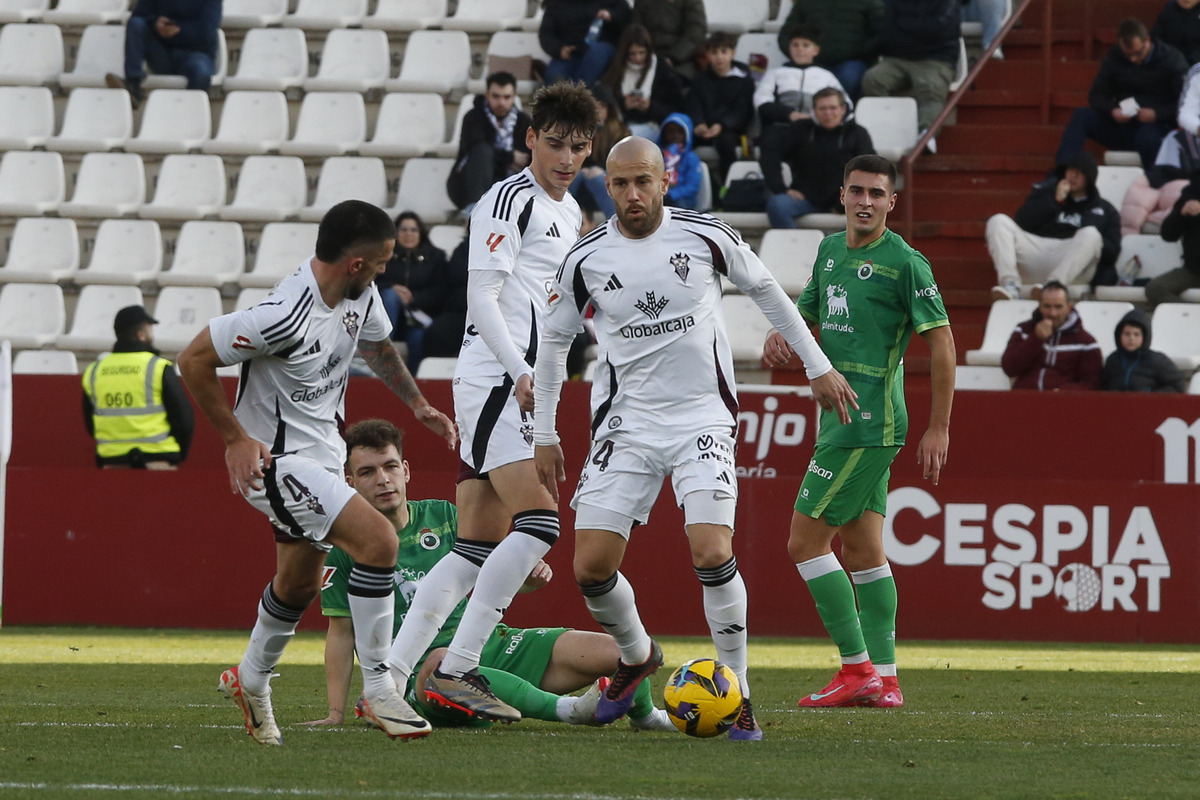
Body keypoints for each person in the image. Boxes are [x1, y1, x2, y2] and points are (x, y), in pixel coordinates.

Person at [531, 136, 860, 739]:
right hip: (626, 424)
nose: (634, 194)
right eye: (622, 184)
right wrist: (545, 431)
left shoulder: (706, 235)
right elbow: (552, 345)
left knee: (711, 550)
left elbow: (767, 292)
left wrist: (817, 365)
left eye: (644, 182)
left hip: (701, 417)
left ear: (664, 181)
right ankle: (636, 657)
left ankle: (737, 696)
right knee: (590, 569)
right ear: (608, 188)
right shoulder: (585, 259)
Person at [176, 200, 457, 745]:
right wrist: (234, 438)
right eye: (380, 263)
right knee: (379, 540)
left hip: (324, 454)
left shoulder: (360, 295)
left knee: (299, 582)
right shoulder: (282, 315)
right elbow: (192, 360)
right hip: (276, 462)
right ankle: (380, 690)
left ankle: (251, 681)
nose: (384, 271)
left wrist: (418, 404)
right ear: (355, 263)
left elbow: (375, 344)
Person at [385, 82, 598, 725]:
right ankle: (458, 667)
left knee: (474, 545)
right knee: (540, 525)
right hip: (499, 378)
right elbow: (484, 300)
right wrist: (521, 371)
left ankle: (388, 680)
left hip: (521, 380)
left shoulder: (569, 213)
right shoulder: (508, 199)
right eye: (555, 143)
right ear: (529, 138)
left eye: (578, 147)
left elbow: (552, 304)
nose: (566, 158)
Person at [307, 418, 675, 732]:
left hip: (493, 645)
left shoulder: (445, 515)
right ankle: (573, 711)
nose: (383, 480)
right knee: (441, 664)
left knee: (620, 652)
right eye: (368, 472)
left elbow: (498, 579)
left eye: (389, 467)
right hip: (427, 678)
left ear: (405, 470)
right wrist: (335, 713)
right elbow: (341, 632)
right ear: (350, 481)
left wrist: (526, 578)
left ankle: (648, 717)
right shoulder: (344, 546)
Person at [764, 153, 955, 711]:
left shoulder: (906, 264)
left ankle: (855, 667)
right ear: (842, 196)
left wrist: (938, 428)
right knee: (864, 548)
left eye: (877, 193)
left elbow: (942, 346)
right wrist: (785, 337)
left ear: (892, 202)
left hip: (869, 423)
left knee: (803, 542)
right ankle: (887, 680)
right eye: (857, 191)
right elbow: (805, 315)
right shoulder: (827, 251)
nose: (866, 201)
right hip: (841, 419)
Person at [1055, 18, 1187, 171]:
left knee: (1147, 138)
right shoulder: (1115, 57)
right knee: (1081, 116)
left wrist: (1156, 114)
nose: (1133, 59)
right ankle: (1060, 175)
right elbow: (1097, 94)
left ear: (1147, 41)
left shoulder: (1172, 59)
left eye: (1138, 53)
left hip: (1158, 126)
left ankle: (1155, 184)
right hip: (1124, 125)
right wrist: (1111, 110)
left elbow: (1184, 104)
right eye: (1128, 55)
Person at [986, 151, 1121, 300]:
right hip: (1036, 253)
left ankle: (1053, 287)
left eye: (1080, 172)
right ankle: (1010, 285)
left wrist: (1084, 233)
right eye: (1071, 170)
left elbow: (1112, 252)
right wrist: (1055, 201)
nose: (1073, 175)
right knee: (998, 221)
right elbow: (1022, 221)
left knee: (1091, 234)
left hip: (1072, 264)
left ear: (1089, 178)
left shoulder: (1105, 209)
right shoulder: (1046, 194)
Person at [81, 305, 193, 470]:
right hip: (157, 459)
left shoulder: (94, 371)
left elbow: (91, 423)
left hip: (112, 462)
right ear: (141, 335)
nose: (152, 334)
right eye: (149, 329)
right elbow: (183, 420)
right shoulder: (157, 368)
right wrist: (177, 454)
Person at [761, 86, 875, 229]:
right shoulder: (800, 129)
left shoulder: (858, 134)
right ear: (814, 110)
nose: (828, 113)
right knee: (777, 204)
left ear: (843, 109)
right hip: (805, 199)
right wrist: (780, 188)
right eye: (822, 108)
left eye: (833, 108)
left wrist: (841, 204)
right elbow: (770, 152)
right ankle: (794, 248)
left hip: (846, 202)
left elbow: (869, 172)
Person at [861, 0, 960, 147]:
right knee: (872, 79)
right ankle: (885, 130)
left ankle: (926, 136)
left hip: (935, 59)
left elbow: (939, 30)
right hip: (897, 58)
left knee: (931, 88)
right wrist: (921, 30)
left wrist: (903, 25)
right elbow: (886, 32)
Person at [104, 0, 222, 107]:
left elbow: (206, 33)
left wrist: (177, 32)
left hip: (196, 54)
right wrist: (156, 24)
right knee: (136, 24)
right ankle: (133, 85)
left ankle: (191, 116)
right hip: (161, 53)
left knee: (201, 72)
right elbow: (139, 15)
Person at [447, 73, 533, 214]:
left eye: (507, 97)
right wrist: (510, 157)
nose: (501, 102)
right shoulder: (473, 117)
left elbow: (527, 157)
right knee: (482, 152)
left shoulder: (523, 121)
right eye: (496, 96)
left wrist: (499, 158)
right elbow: (477, 150)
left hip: (509, 183)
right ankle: (475, 209)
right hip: (469, 186)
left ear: (514, 97)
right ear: (487, 95)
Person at [375, 211, 450, 373]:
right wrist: (392, 287)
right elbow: (370, 283)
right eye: (403, 229)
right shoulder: (383, 256)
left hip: (420, 318)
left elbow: (441, 292)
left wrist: (412, 298)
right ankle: (380, 355)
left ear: (421, 232)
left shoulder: (436, 257)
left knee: (418, 338)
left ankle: (414, 384)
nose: (409, 234)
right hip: (390, 317)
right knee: (389, 295)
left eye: (414, 230)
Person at [1000, 280, 1102, 391]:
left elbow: (1091, 384)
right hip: (1024, 400)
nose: (1053, 313)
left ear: (1069, 307)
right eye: (1047, 306)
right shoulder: (1023, 330)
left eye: (1058, 307)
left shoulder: (1086, 343)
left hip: (1064, 404)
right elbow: (1009, 368)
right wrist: (1036, 338)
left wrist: (1063, 393)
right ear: (1040, 306)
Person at [684, 32, 756, 186]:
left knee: (726, 144)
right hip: (703, 128)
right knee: (680, 139)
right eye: (714, 52)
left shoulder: (744, 80)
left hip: (730, 130)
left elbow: (742, 111)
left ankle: (728, 188)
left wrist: (722, 125)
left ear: (733, 53)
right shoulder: (700, 80)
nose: (719, 57)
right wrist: (699, 124)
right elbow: (694, 104)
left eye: (724, 52)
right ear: (708, 54)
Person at [776, 0, 884, 100]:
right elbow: (786, 35)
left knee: (849, 78)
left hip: (852, 62)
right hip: (813, 63)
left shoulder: (870, 2)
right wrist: (801, 55)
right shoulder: (805, 2)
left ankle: (841, 116)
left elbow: (880, 34)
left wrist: (862, 52)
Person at [755, 27, 852, 130]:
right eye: (795, 45)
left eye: (806, 45)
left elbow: (846, 105)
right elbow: (762, 102)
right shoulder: (775, 73)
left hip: (816, 129)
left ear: (816, 50)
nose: (800, 49)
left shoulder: (826, 76)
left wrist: (817, 118)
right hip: (782, 126)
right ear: (789, 48)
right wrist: (789, 114)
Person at [601, 23, 686, 140]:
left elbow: (677, 108)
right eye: (632, 54)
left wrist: (650, 106)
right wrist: (623, 104)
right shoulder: (615, 69)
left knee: (625, 138)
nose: (638, 58)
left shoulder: (662, 70)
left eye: (642, 52)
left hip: (653, 125)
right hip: (620, 123)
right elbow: (604, 98)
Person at [569, 83, 629, 222]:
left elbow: (623, 164)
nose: (597, 111)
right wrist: (583, 169)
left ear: (609, 109)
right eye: (593, 106)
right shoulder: (576, 130)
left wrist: (601, 171)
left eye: (601, 106)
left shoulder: (620, 132)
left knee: (597, 179)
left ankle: (619, 223)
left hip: (608, 180)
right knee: (572, 175)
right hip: (580, 181)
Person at [540, 0, 632, 87]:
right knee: (553, 75)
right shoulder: (556, 4)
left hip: (603, 48)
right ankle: (569, 97)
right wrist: (559, 49)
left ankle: (575, 95)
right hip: (571, 53)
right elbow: (546, 33)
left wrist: (612, 16)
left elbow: (627, 18)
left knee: (597, 53)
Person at [1101, 310, 1185, 392]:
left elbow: (1177, 386)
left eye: (1136, 334)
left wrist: (1152, 397)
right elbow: (1103, 387)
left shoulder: (1157, 361)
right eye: (1127, 334)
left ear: (1145, 337)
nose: (1131, 338)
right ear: (1119, 336)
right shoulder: (1113, 360)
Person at [1148, 175, 1200, 306]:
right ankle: (1189, 317)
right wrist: (1181, 214)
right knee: (1155, 288)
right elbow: (1168, 234)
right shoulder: (1192, 193)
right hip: (1193, 271)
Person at [632, 0, 707, 80]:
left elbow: (696, 33)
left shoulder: (691, 2)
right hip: (648, 59)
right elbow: (636, 32)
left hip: (682, 62)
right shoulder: (642, 2)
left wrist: (672, 58)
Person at [658, 112, 702, 209]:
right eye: (670, 131)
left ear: (687, 133)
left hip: (682, 200)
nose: (675, 135)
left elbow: (692, 187)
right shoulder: (658, 155)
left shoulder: (691, 158)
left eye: (679, 132)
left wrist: (671, 195)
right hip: (660, 197)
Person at [1152, 0, 1200, 66]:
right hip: (1170, 62)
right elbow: (1156, 38)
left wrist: (1191, 60)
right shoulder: (1169, 8)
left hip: (1196, 64)